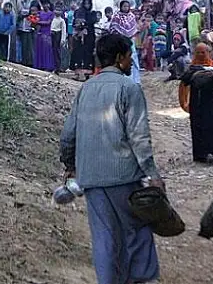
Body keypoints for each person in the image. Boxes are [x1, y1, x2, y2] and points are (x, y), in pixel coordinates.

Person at [59, 33, 164, 284]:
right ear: (119, 58)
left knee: (104, 238)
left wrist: (71, 166)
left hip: (91, 177)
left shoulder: (86, 88)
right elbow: (139, 137)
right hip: (124, 175)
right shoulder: (129, 88)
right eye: (128, 56)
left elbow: (68, 135)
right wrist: (152, 174)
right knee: (137, 231)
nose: (131, 61)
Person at [181, 42, 213, 164]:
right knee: (197, 128)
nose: (201, 55)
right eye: (198, 52)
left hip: (212, 103)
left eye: (203, 52)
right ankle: (200, 155)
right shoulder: (191, 69)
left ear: (208, 53)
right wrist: (184, 104)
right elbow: (183, 86)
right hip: (196, 104)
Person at [109, 0, 140, 84]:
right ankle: (123, 78)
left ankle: (136, 80)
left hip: (130, 40)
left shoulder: (132, 16)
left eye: (127, 6)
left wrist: (130, 35)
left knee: (133, 58)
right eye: (124, 6)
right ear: (121, 7)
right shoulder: (116, 16)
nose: (126, 8)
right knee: (121, 58)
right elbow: (112, 28)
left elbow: (133, 29)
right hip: (120, 41)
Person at [71, 0, 99, 81]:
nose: (87, 5)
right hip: (79, 37)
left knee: (88, 54)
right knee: (78, 54)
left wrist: (85, 24)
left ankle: (87, 74)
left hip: (89, 36)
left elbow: (92, 21)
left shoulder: (92, 13)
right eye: (85, 3)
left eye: (88, 4)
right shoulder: (79, 12)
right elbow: (75, 22)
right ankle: (77, 74)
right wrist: (80, 26)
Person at [34, 1, 56, 71]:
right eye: (44, 4)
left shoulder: (51, 13)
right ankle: (40, 65)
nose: (45, 5)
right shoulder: (40, 13)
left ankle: (48, 66)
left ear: (49, 5)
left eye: (46, 4)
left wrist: (38, 22)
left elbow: (48, 22)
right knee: (40, 49)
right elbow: (35, 19)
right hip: (40, 32)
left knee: (47, 50)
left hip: (47, 33)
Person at [51, 7, 68, 73]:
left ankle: (58, 67)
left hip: (57, 35)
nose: (57, 12)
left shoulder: (62, 20)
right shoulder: (52, 18)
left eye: (59, 10)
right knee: (52, 51)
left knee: (57, 51)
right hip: (51, 34)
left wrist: (63, 39)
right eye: (56, 10)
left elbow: (64, 30)